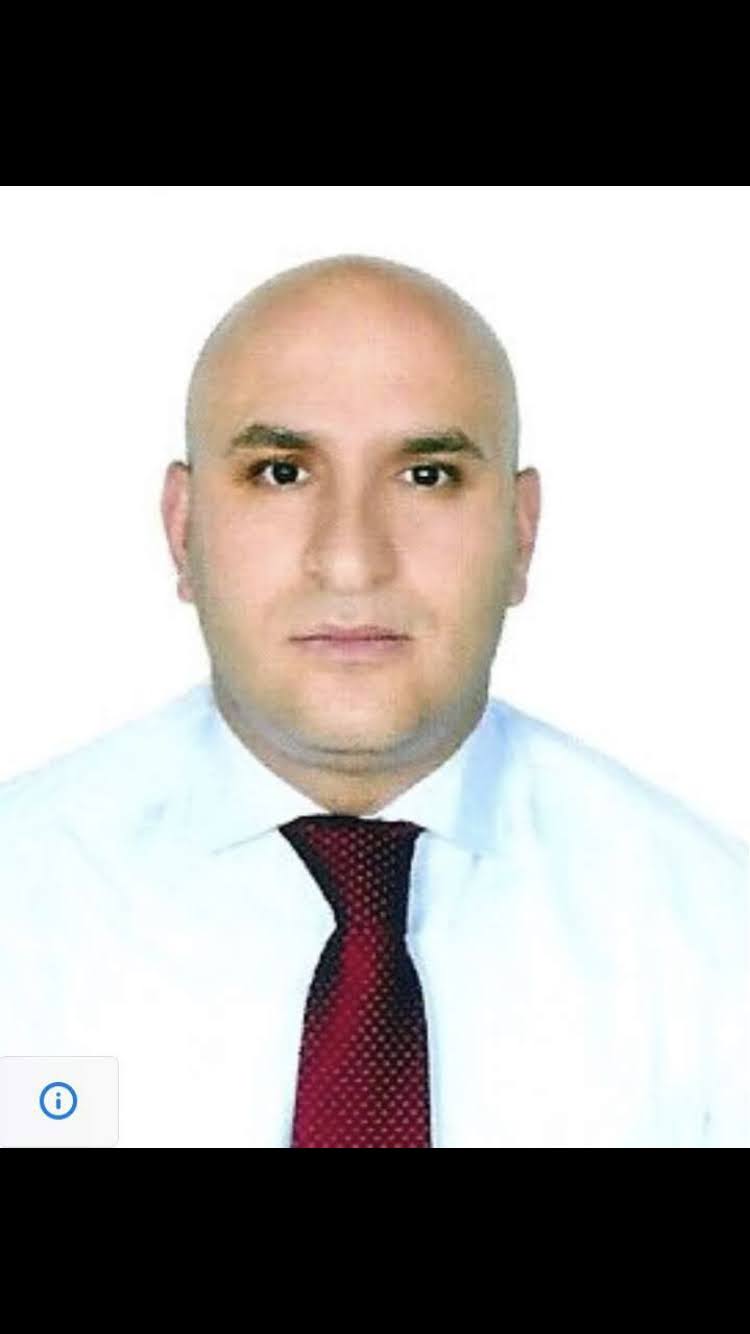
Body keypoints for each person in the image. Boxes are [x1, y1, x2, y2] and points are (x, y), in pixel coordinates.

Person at [0, 254, 746, 1149]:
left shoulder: (716, 943)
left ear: (520, 534)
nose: (352, 561)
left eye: (426, 475)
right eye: (281, 472)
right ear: (182, 527)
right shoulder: (19, 905)